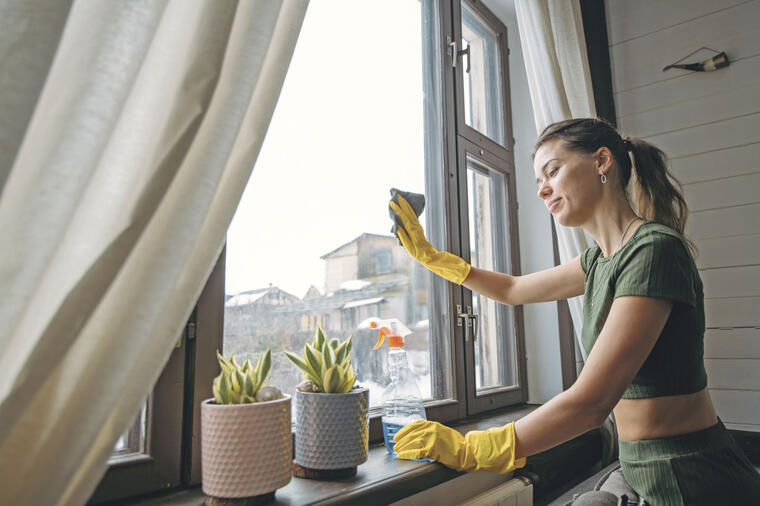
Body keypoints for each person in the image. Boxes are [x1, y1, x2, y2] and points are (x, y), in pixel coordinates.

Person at [388, 118, 760, 505]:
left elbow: (591, 403)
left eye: (552, 170)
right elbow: (513, 290)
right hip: (638, 468)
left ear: (602, 161)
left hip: (688, 475)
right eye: (537, 181)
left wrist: (472, 448)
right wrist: (431, 257)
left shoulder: (653, 250)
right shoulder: (598, 260)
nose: (543, 188)